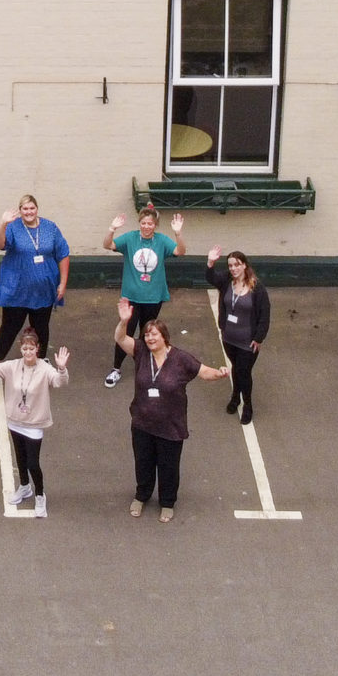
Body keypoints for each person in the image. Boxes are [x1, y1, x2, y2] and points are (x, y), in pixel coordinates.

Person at [114, 315, 227, 522]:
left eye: (154, 334)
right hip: (142, 423)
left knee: (169, 467)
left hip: (171, 426)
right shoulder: (140, 352)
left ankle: (167, 502)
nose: (150, 338)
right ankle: (142, 495)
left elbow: (203, 372)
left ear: (164, 336)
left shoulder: (181, 359)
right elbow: (120, 338)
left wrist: (219, 374)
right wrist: (124, 321)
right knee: (143, 462)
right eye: (147, 335)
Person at [0, 328, 67, 514]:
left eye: (31, 349)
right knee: (20, 458)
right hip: (15, 421)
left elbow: (60, 382)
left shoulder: (45, 369)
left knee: (33, 463)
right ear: (21, 349)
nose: (28, 352)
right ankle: (24, 486)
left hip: (34, 425)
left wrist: (61, 369)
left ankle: (40, 495)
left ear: (38, 349)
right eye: (25, 349)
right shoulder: (12, 366)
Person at [103, 208, 183, 386]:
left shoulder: (161, 240)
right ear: (139, 223)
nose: (146, 226)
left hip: (153, 297)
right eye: (143, 223)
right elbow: (108, 245)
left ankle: (144, 366)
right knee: (125, 332)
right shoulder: (130, 238)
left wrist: (178, 233)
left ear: (155, 225)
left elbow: (180, 251)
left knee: (147, 334)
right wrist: (112, 228)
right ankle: (116, 368)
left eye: (150, 224)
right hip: (131, 296)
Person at [0, 195, 70, 358]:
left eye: (32, 208)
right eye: (25, 209)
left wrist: (63, 283)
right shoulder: (13, 227)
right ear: (20, 211)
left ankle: (39, 361)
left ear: (37, 209)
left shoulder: (50, 227)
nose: (29, 212)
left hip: (43, 290)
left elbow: (63, 254)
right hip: (17, 290)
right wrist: (2, 224)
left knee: (41, 328)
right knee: (9, 327)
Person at [207, 244, 272, 425]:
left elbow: (264, 315)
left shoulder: (257, 288)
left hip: (248, 341)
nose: (233, 269)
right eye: (230, 265)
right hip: (229, 338)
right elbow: (210, 278)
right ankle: (235, 398)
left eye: (237, 264)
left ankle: (248, 405)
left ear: (244, 265)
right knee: (236, 367)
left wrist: (258, 338)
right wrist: (211, 262)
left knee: (244, 372)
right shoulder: (227, 282)